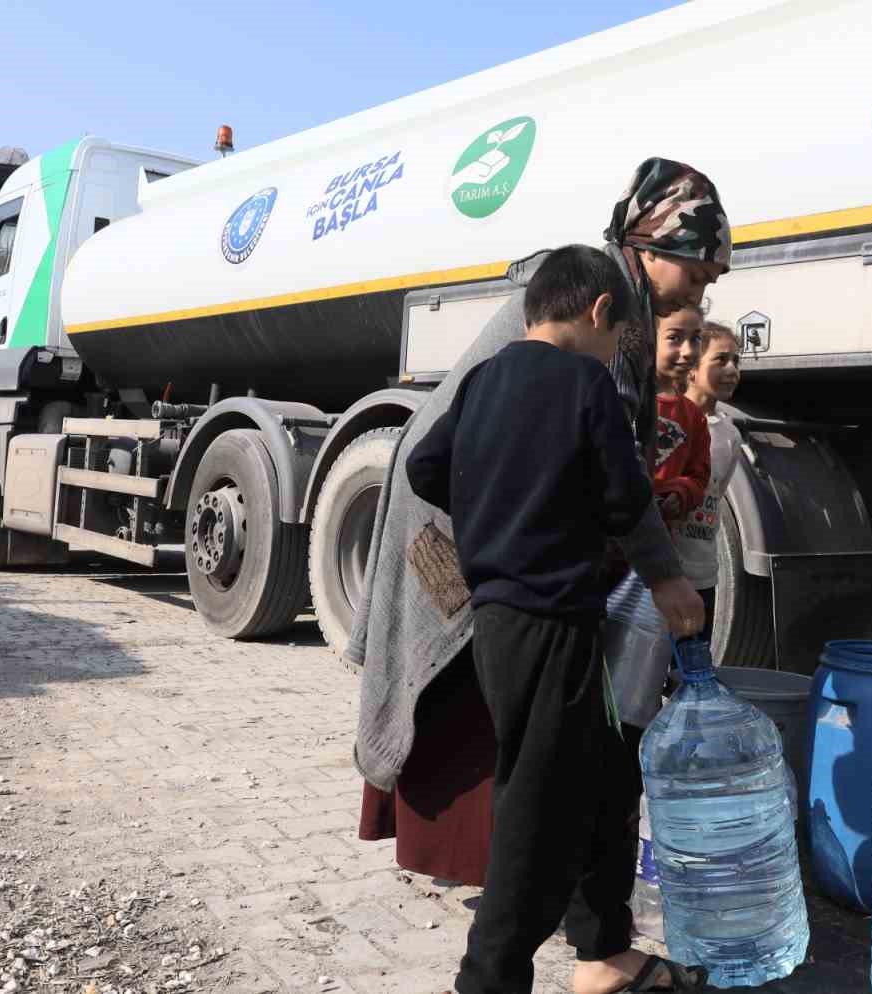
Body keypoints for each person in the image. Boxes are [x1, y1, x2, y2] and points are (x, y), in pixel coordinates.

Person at [350, 158, 730, 992]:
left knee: (596, 768)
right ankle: (492, 972)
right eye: (696, 265)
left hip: (513, 596)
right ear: (643, 252)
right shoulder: (594, 353)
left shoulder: (559, 342)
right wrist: (523, 527)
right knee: (535, 792)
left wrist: (506, 524)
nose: (702, 284)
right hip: (517, 595)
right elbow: (617, 489)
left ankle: (600, 949)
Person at [679, 321, 744, 646]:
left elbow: (715, 495)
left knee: (692, 668)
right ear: (691, 369)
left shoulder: (730, 435)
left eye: (737, 361)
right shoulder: (671, 423)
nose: (732, 369)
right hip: (667, 576)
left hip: (703, 574)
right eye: (721, 360)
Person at [653, 305, 711, 530]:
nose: (688, 351)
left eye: (695, 339)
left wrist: (681, 493)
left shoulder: (694, 416)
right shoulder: (627, 401)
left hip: (658, 540)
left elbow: (699, 477)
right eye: (674, 337)